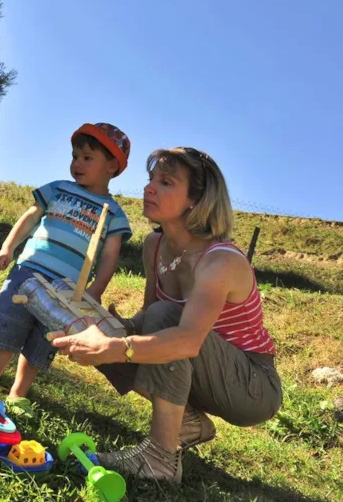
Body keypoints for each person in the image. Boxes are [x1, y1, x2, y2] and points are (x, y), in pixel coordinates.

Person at [51, 147, 282, 483]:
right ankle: (187, 422)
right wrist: (94, 325)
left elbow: (185, 339)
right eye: (151, 179)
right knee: (115, 331)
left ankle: (161, 458)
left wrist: (114, 346)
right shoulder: (154, 246)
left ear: (196, 199)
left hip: (252, 387)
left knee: (161, 320)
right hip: (201, 367)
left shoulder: (221, 261)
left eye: (166, 182)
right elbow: (146, 319)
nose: (149, 188)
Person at [0, 123, 133, 403]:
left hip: (67, 289)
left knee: (44, 339)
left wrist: (95, 290)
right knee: (9, 327)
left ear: (111, 166)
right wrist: (8, 247)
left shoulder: (114, 214)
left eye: (87, 158)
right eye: (75, 156)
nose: (77, 163)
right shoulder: (58, 189)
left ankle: (18, 394)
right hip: (28, 273)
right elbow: (31, 216)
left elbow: (110, 256)